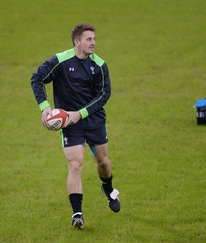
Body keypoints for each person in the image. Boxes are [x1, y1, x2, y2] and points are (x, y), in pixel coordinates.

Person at [30, 23, 120, 229]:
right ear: (76, 41)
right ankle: (77, 214)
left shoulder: (99, 65)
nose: (93, 43)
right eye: (89, 39)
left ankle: (108, 189)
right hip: (70, 124)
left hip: (94, 120)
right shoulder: (60, 61)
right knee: (75, 164)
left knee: (102, 161)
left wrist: (80, 113)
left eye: (94, 39)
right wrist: (45, 107)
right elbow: (36, 78)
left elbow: (104, 95)